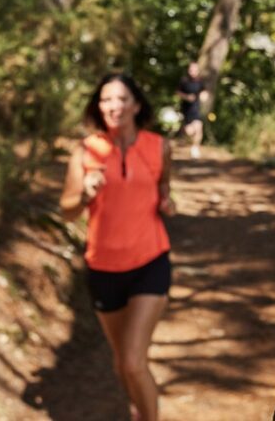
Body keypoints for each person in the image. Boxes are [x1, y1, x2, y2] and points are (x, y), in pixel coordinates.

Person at [60, 72, 175, 421]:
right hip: (103, 269)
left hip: (150, 261)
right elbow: (66, 210)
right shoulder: (85, 150)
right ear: (98, 106)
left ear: (136, 105)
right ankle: (139, 410)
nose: (114, 106)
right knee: (121, 362)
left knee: (132, 360)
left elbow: (164, 189)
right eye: (107, 99)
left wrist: (168, 202)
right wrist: (85, 193)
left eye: (122, 99)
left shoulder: (158, 146)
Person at [175, 62, 209, 159]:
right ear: (188, 70)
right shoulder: (184, 81)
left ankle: (195, 148)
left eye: (195, 70)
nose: (193, 72)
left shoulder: (200, 81)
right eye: (191, 70)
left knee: (199, 127)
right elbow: (177, 92)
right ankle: (184, 135)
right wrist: (186, 97)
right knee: (189, 131)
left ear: (198, 71)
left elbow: (204, 91)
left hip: (196, 108)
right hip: (186, 110)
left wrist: (204, 95)